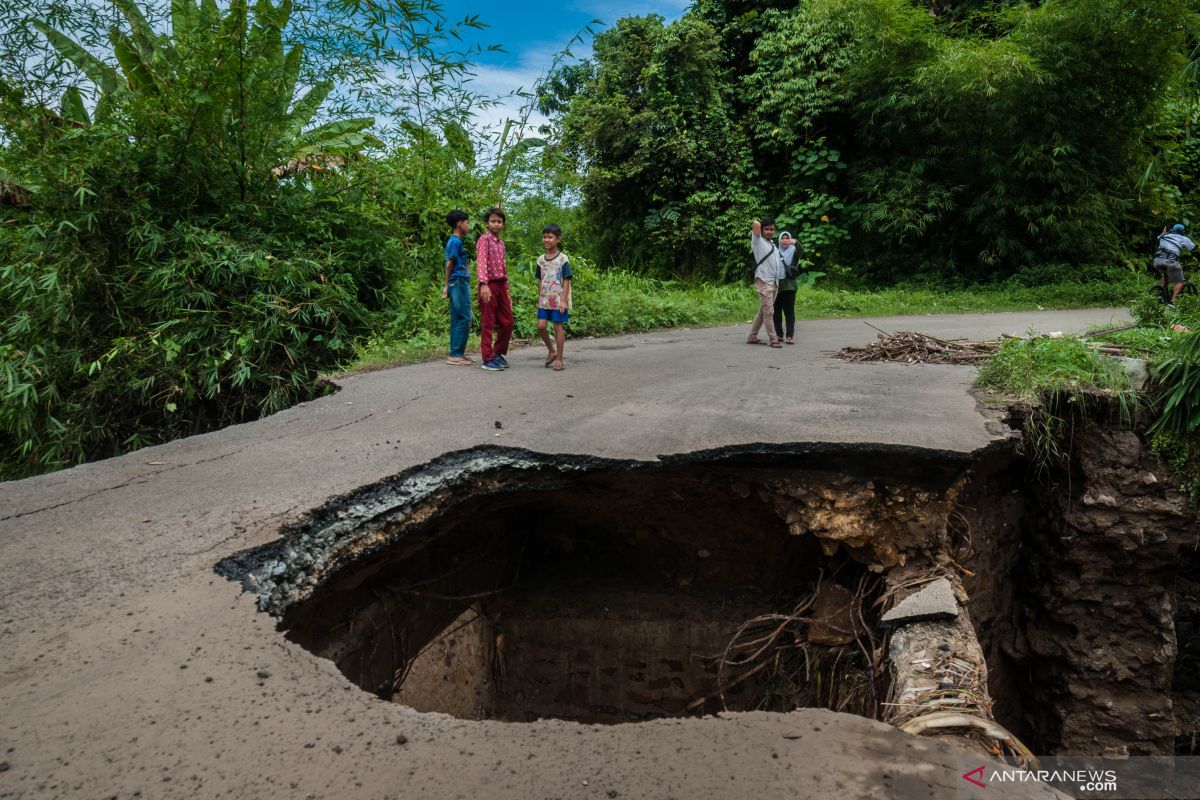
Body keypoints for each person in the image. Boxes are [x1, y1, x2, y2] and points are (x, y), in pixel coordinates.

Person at [476, 206, 514, 371]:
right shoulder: (484, 239)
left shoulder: (501, 244)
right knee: (488, 322)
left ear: (503, 224)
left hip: (501, 285)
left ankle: (498, 353)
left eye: (499, 221)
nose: (496, 224)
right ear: (487, 223)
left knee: (507, 321)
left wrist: (507, 291)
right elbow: (482, 262)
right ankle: (487, 358)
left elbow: (504, 268)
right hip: (489, 285)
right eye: (493, 221)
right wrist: (483, 284)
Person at [536, 223, 572, 371]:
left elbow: (567, 279)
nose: (547, 240)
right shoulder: (541, 260)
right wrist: (539, 298)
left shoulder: (563, 259)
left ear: (558, 239)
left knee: (558, 327)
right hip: (544, 300)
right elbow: (540, 280)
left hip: (558, 301)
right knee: (541, 326)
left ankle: (559, 359)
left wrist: (564, 301)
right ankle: (551, 350)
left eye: (550, 237)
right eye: (544, 237)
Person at [443, 210, 473, 365]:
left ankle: (456, 353)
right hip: (459, 281)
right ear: (459, 223)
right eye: (467, 222)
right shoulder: (456, 242)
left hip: (455, 282)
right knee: (465, 317)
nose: (468, 225)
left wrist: (447, 285)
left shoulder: (451, 241)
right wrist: (446, 284)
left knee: (456, 317)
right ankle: (456, 354)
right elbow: (450, 263)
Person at [747, 218, 782, 347]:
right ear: (761, 230)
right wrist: (761, 223)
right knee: (768, 313)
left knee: (763, 312)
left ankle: (752, 336)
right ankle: (774, 340)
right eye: (766, 229)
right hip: (764, 281)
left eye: (771, 229)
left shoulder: (773, 245)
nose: (769, 231)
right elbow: (755, 223)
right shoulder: (758, 241)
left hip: (774, 282)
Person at [1154, 223, 1195, 306]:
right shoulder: (1184, 238)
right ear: (1182, 231)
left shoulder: (1165, 236)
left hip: (1157, 261)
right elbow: (1194, 251)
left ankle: (1160, 295)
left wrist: (1163, 233)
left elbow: (1158, 239)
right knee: (1179, 281)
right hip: (1170, 262)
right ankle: (1173, 301)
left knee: (1165, 275)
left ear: (1173, 230)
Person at [773, 231, 801, 345]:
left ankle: (790, 336)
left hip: (789, 287)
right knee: (776, 312)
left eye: (787, 238)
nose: (784, 240)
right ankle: (779, 335)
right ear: (779, 240)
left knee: (789, 312)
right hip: (776, 286)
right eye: (782, 238)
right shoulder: (774, 251)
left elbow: (801, 250)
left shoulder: (794, 251)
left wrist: (796, 242)